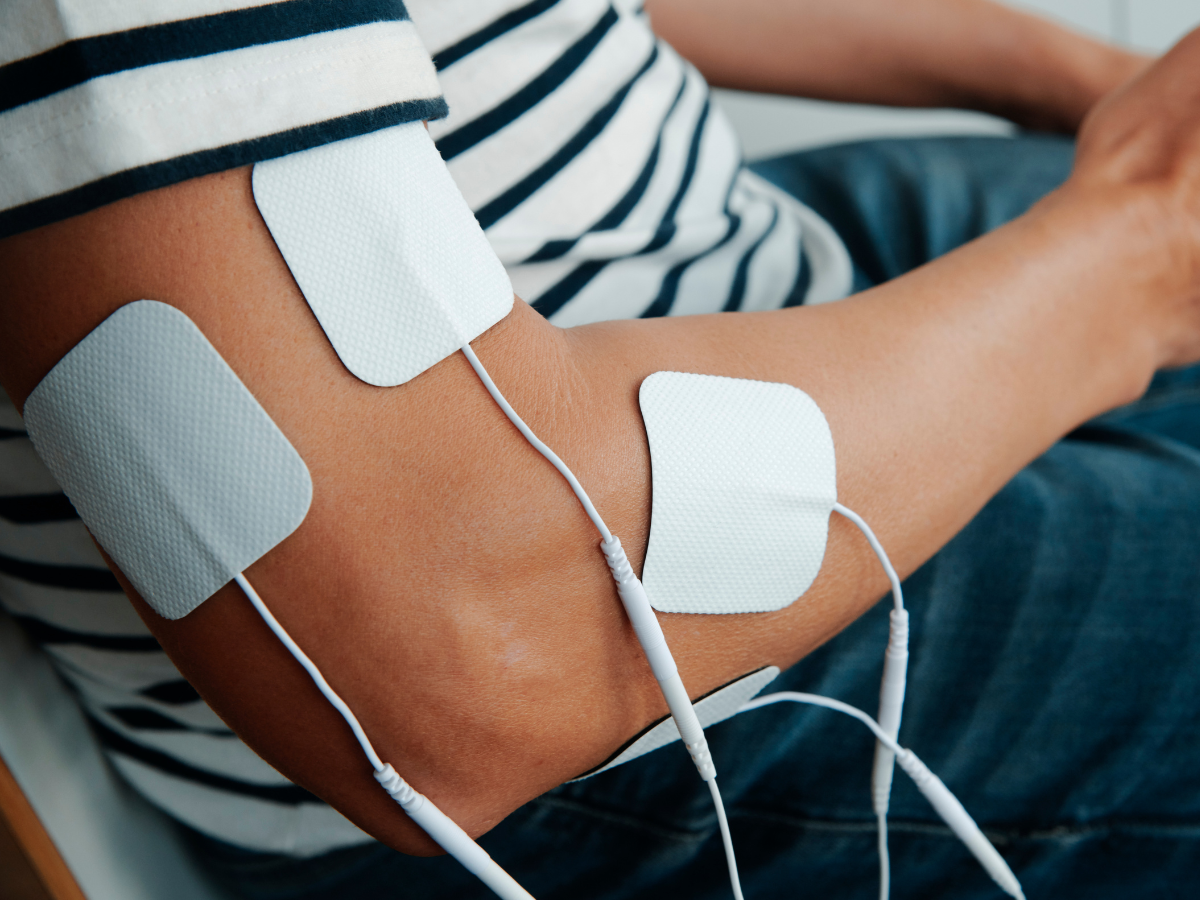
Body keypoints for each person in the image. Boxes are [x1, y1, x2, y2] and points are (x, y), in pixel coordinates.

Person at [1, 0, 1198, 896]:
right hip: (605, 691)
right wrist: (1138, 249)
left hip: (739, 251)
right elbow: (477, 655)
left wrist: (1089, 88)